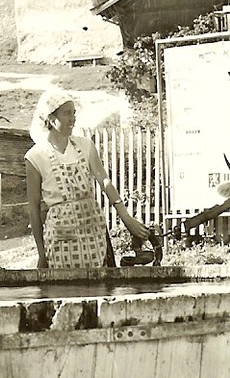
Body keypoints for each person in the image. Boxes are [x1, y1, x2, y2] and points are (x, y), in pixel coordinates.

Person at [25, 88, 151, 272]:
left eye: (74, 113)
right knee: (66, 290)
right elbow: (34, 209)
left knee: (100, 288)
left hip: (93, 230)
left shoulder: (85, 145)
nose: (73, 118)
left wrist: (126, 218)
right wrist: (41, 254)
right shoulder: (35, 157)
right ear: (51, 119)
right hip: (61, 237)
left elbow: (105, 182)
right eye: (67, 113)